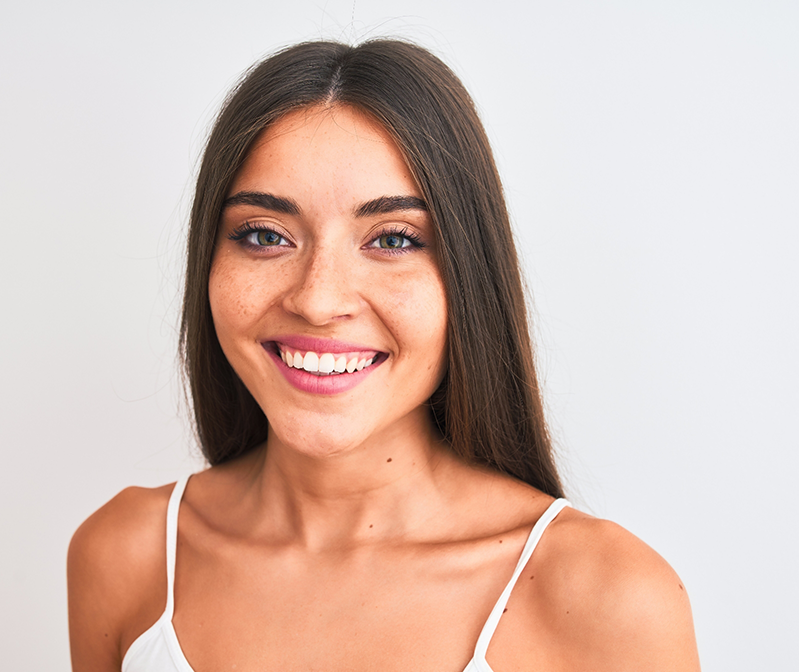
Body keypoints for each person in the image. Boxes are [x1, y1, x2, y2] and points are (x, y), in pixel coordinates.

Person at [66, 39, 699, 672]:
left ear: (469, 276)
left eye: (393, 239)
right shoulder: (127, 557)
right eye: (264, 235)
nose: (318, 300)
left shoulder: (608, 601)